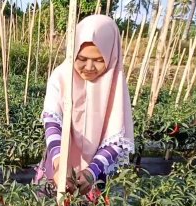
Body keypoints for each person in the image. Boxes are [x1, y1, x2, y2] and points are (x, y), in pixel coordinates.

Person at [34, 15, 134, 195]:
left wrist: (92, 171)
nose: (89, 67)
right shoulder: (61, 77)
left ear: (111, 56)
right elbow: (52, 123)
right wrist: (59, 163)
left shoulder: (115, 85)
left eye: (98, 60)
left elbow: (116, 137)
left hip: (96, 171)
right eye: (82, 58)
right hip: (58, 165)